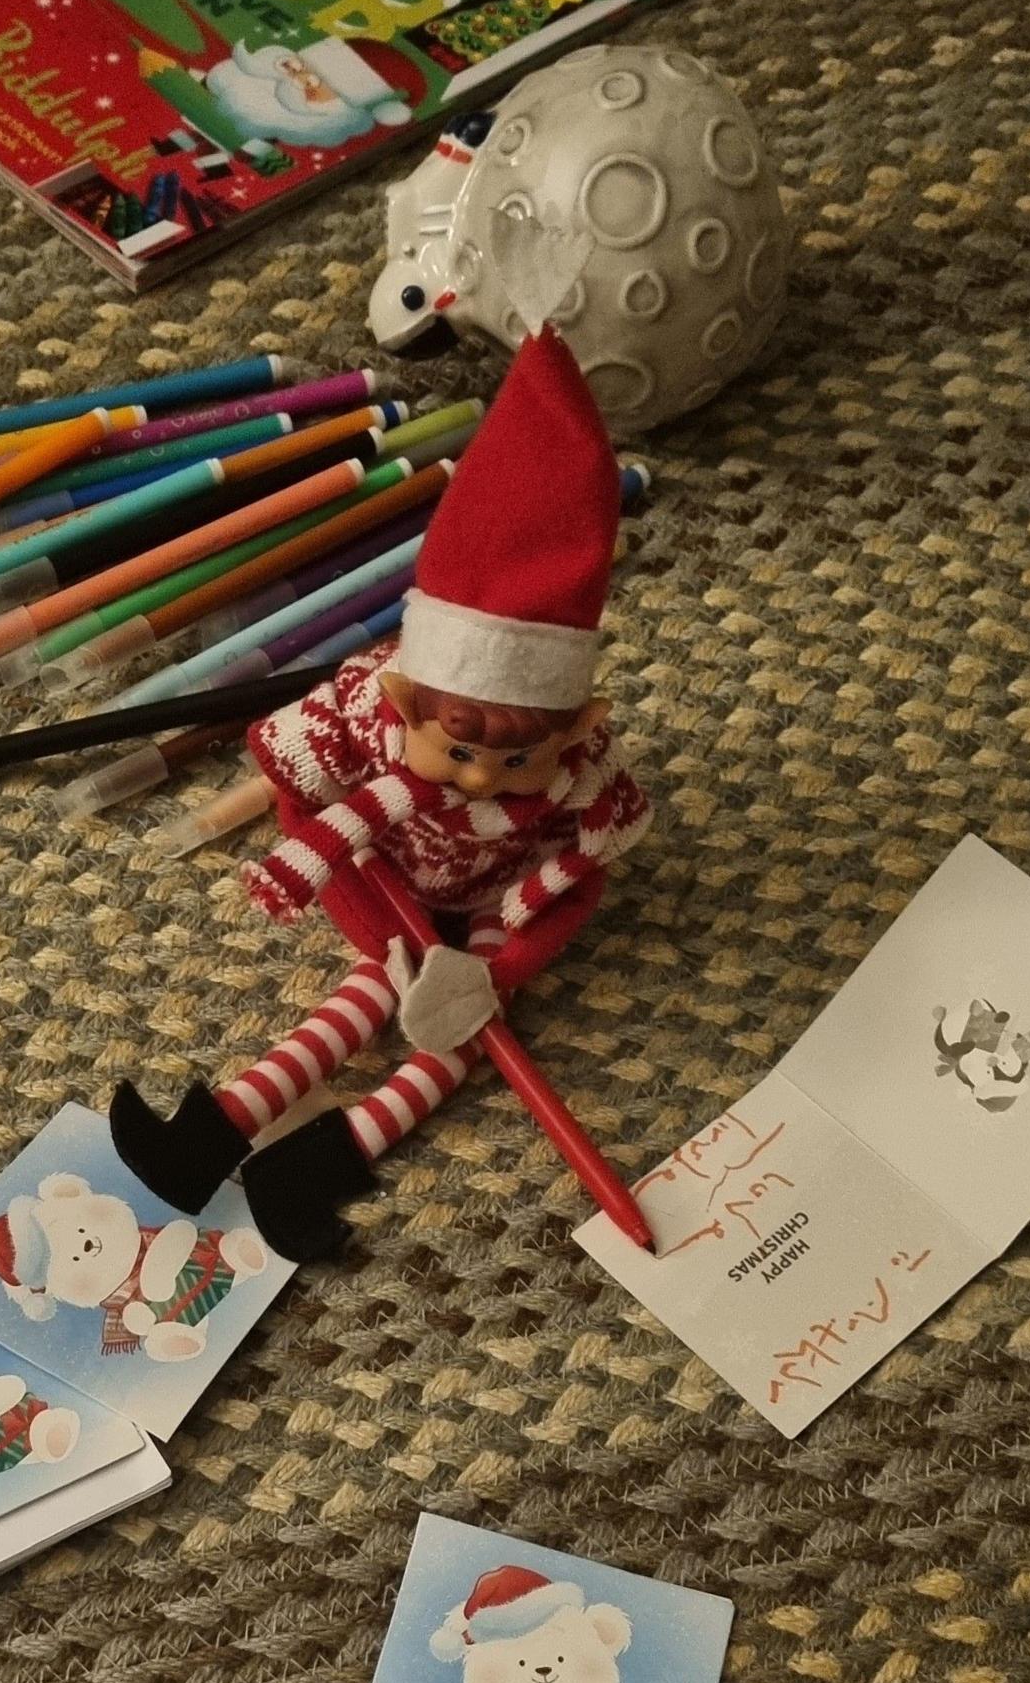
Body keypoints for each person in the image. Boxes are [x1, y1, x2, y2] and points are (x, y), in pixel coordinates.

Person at [111, 329, 650, 1260]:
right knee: (366, 996)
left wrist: (497, 965)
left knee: (459, 1030)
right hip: (387, 884)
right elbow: (296, 795)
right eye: (460, 750)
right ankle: (211, 1135)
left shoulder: (584, 771)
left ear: (574, 724)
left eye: (515, 763)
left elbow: (588, 867)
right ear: (406, 701)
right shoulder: (363, 713)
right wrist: (383, 933)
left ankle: (318, 1164)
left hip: (490, 911)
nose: (483, 779)